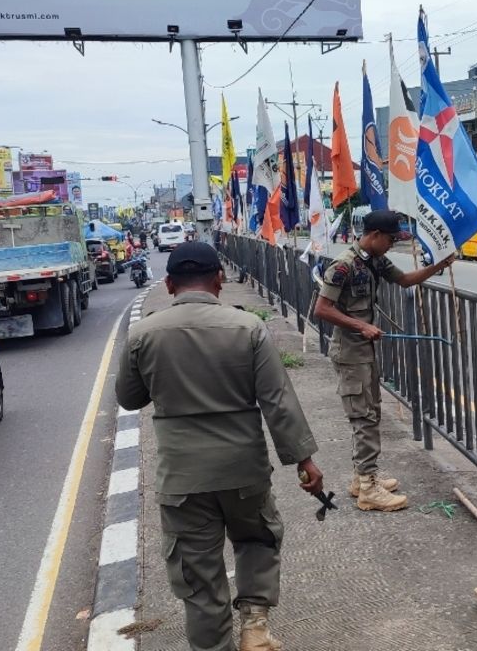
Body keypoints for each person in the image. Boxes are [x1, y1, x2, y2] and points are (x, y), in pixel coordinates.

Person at [115, 241, 322, 651]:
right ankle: (255, 627)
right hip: (243, 468)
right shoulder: (248, 328)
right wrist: (304, 460)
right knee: (257, 540)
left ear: (170, 284)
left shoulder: (143, 333)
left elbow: (130, 398)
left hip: (182, 477)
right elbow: (277, 400)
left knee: (198, 575)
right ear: (220, 279)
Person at [312, 209, 453, 512]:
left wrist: (439, 265)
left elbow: (404, 280)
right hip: (350, 353)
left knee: (371, 412)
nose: (392, 244)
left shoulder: (374, 260)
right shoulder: (344, 266)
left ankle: (362, 477)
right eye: (390, 238)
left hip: (365, 352)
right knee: (364, 418)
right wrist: (360, 325)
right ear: (374, 235)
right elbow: (322, 309)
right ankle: (368, 488)